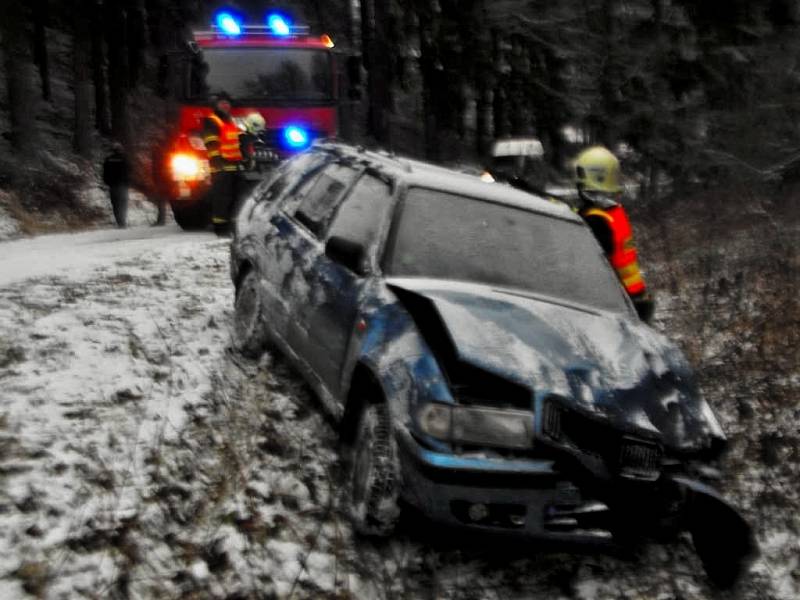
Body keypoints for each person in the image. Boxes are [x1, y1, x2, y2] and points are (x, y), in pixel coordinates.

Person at [574, 146, 654, 322]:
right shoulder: (614, 213)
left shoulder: (596, 220)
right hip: (634, 296)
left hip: (615, 303)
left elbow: (590, 268)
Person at [202, 92, 243, 236]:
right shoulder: (211, 121)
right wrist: (217, 162)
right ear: (216, 105)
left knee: (233, 198)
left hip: (234, 166)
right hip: (221, 167)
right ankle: (220, 229)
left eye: (227, 103)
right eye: (222, 103)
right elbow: (211, 143)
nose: (225, 105)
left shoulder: (230, 121)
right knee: (221, 199)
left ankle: (230, 227)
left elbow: (237, 142)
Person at [102, 142, 130, 228]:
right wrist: (128, 182)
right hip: (123, 184)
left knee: (115, 203)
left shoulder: (108, 159)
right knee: (123, 203)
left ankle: (119, 221)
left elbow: (105, 172)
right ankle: (123, 221)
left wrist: (107, 182)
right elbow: (130, 171)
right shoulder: (125, 159)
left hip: (113, 185)